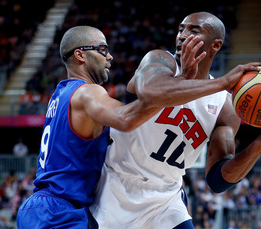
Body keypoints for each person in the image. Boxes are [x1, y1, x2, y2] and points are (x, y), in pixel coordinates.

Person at [91, 12, 261, 229]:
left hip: (165, 199)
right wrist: (220, 82)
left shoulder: (225, 107)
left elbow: (217, 180)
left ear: (215, 45)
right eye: (180, 29)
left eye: (194, 31)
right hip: (117, 184)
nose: (181, 36)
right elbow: (150, 93)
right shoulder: (160, 60)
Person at [16, 25, 166, 228]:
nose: (110, 56)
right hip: (59, 212)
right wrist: (170, 91)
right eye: (103, 50)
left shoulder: (60, 94)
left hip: (41, 208)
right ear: (80, 55)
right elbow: (126, 118)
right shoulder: (88, 92)